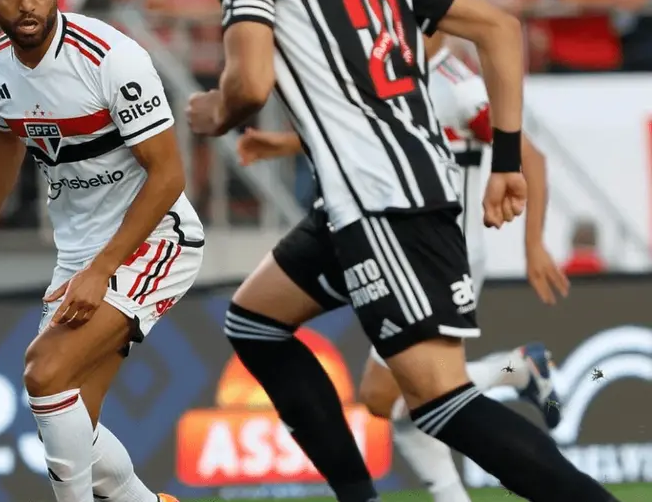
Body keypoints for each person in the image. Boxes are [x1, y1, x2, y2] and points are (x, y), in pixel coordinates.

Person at [188, 0, 619, 501]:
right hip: (378, 194)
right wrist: (509, 160)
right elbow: (499, 26)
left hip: (382, 202)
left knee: (442, 404)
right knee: (256, 321)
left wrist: (217, 111)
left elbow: (250, 83)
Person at [233, 30, 570, 502]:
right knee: (400, 403)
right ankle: (514, 374)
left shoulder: (457, 84)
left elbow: (529, 157)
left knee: (406, 397)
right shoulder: (393, 74)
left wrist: (534, 244)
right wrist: (284, 144)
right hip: (402, 250)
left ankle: (516, 372)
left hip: (445, 259)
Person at [0, 0, 203, 502]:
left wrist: (101, 269)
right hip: (80, 250)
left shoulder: (110, 57)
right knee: (69, 421)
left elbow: (168, 177)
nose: (27, 3)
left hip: (156, 238)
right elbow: (6, 142)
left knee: (43, 373)